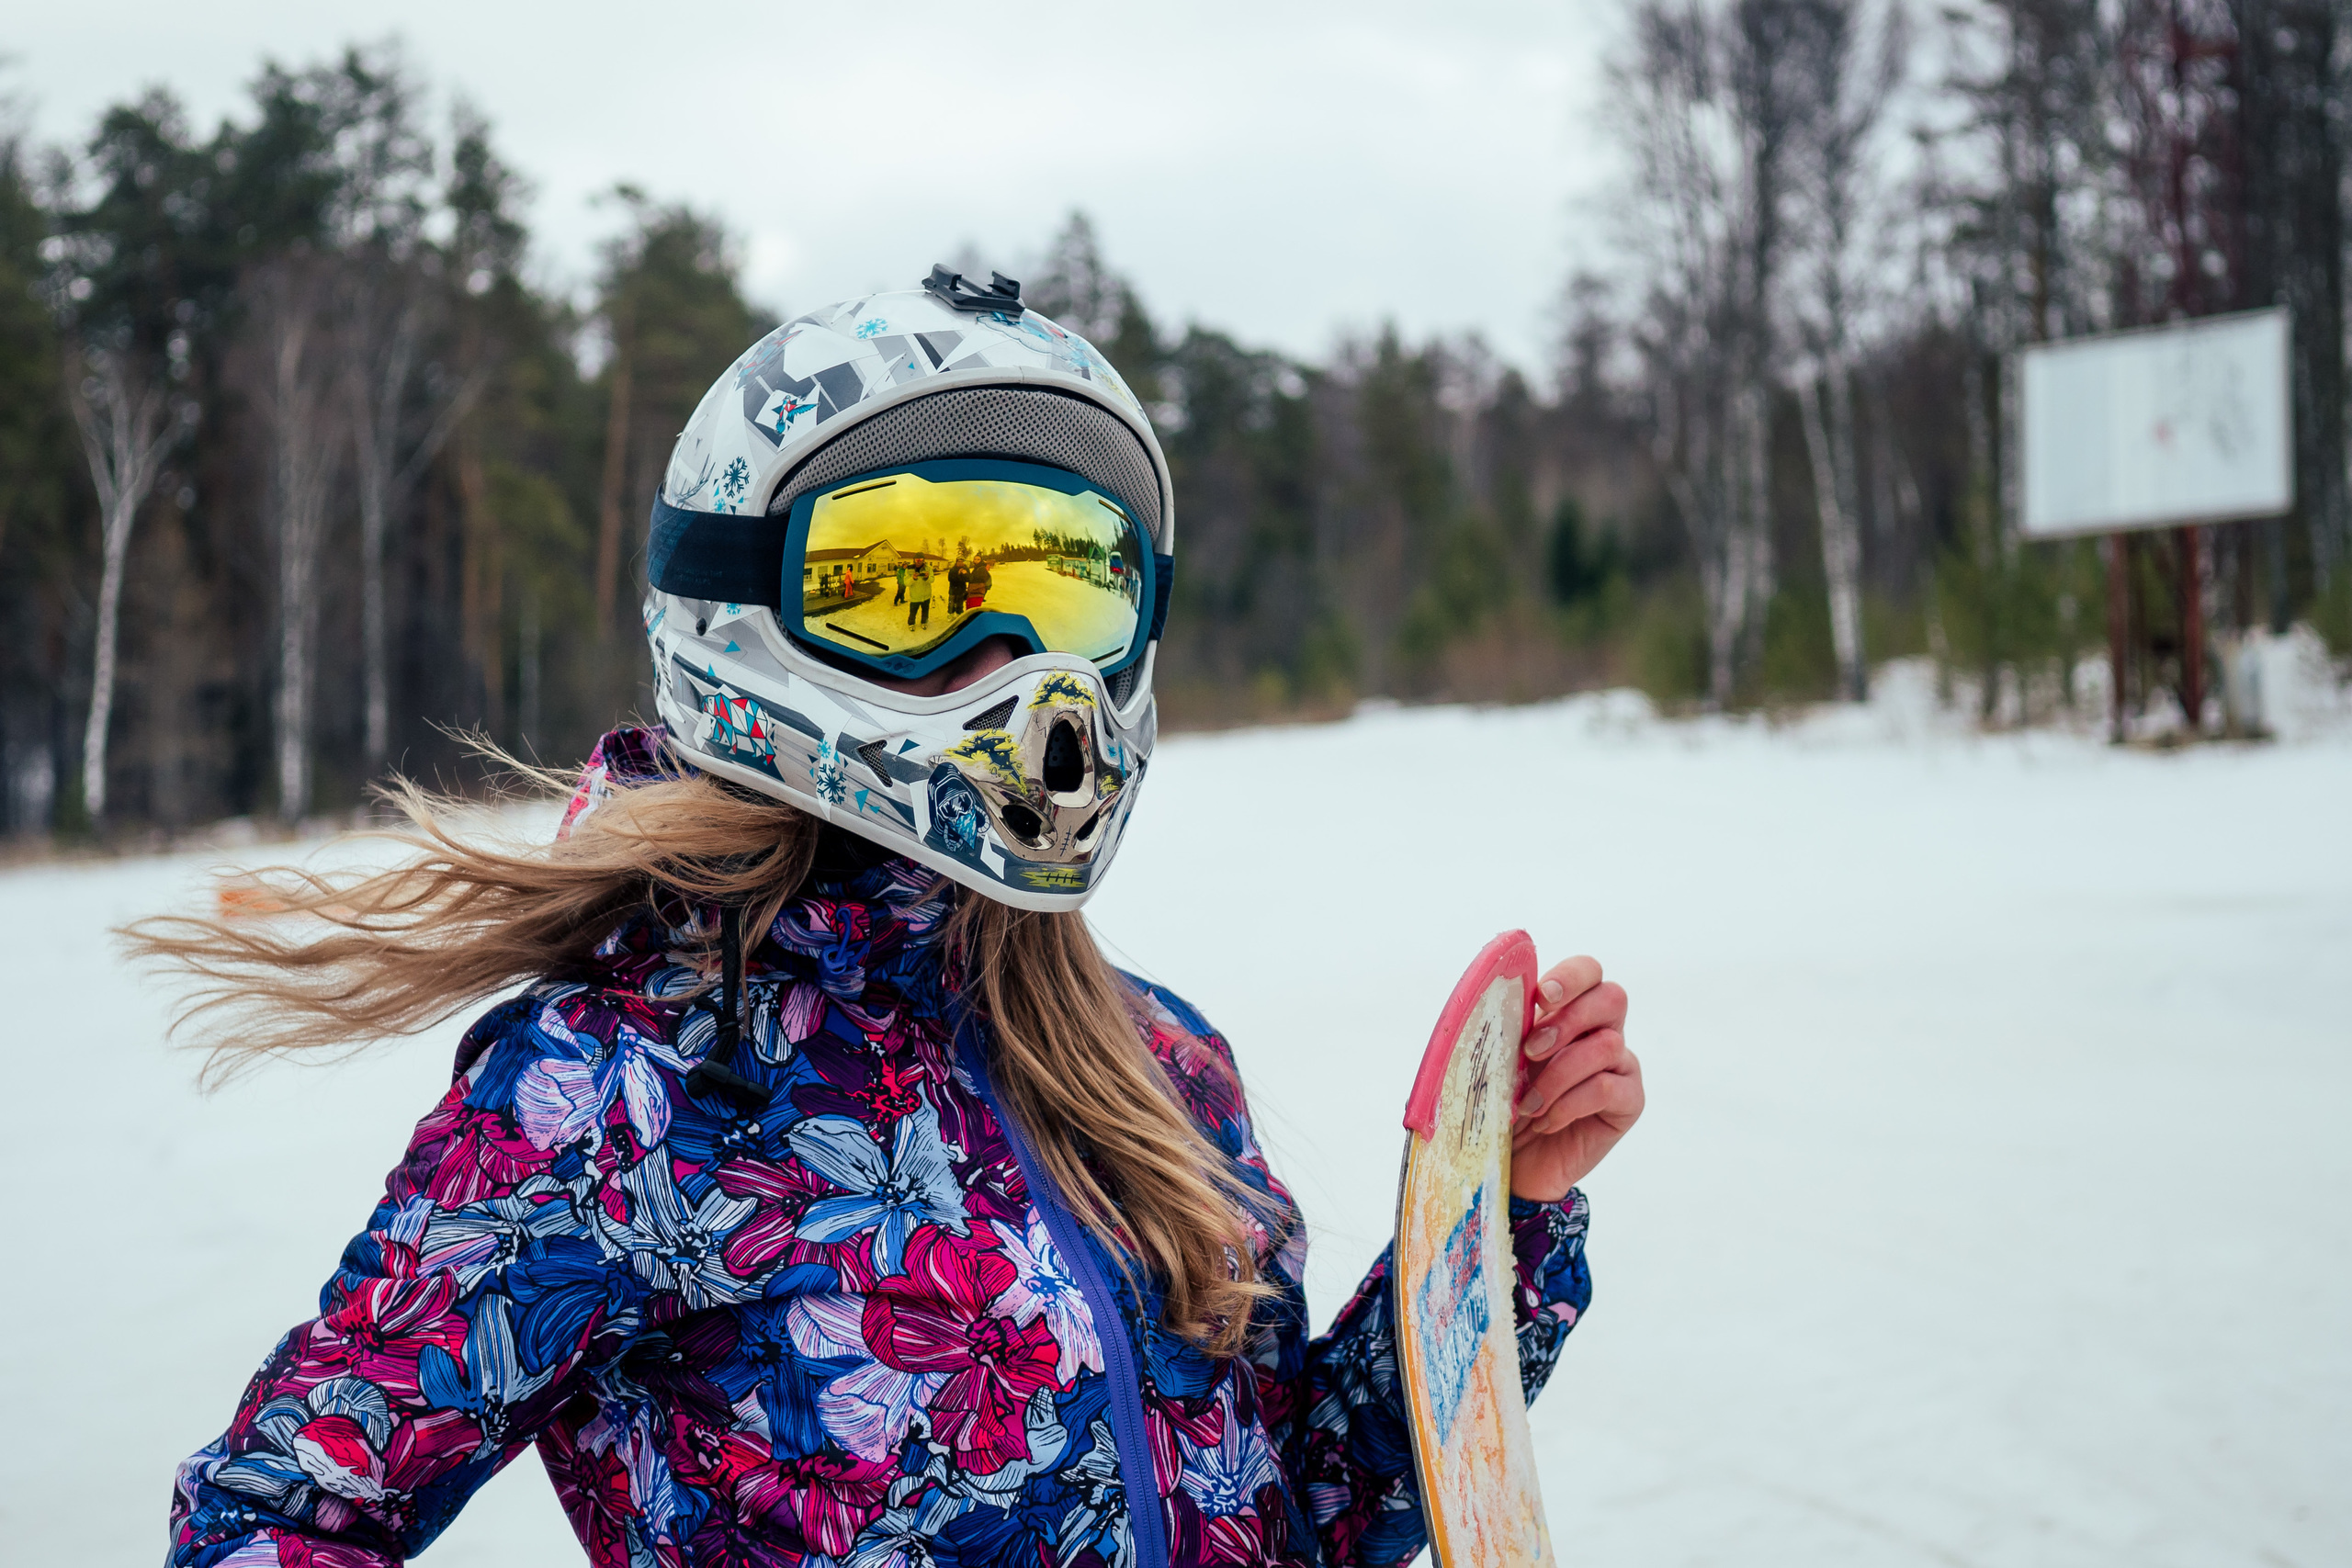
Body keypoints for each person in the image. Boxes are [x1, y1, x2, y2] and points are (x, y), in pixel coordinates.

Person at [148, 271, 1642, 1568]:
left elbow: (1298, 1509)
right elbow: (282, 1513)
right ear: (747, 603)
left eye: (1071, 594)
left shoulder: (1163, 1055)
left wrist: (1497, 1228)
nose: (1017, 671)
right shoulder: (625, 1091)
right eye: (918, 591)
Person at [907, 558, 932, 627]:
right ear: (914, 560)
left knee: (925, 611)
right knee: (913, 612)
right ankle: (911, 623)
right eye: (917, 560)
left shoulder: (928, 568)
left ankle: (924, 622)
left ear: (923, 560)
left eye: (920, 560)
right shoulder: (909, 569)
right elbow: (906, 583)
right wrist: (913, 578)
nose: (918, 561)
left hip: (926, 596)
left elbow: (932, 580)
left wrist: (927, 578)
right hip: (915, 596)